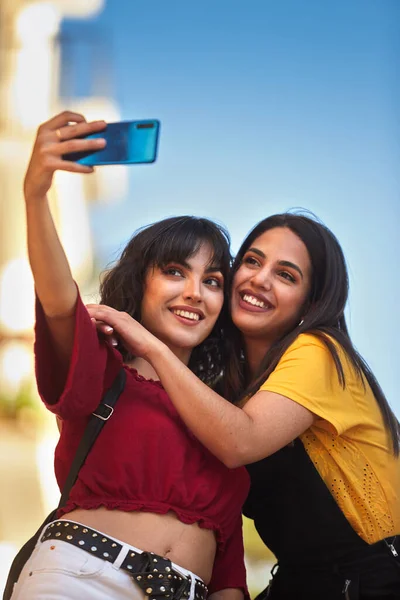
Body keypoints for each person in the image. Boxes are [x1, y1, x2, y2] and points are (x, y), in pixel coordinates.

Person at [88, 213, 400, 599]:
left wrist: (150, 343)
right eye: (252, 261)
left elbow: (241, 441)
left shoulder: (319, 351)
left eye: (286, 275)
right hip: (300, 582)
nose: (260, 279)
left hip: (371, 578)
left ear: (311, 302)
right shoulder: (231, 397)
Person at [12, 111, 250, 600]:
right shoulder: (103, 368)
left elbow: (229, 578)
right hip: (80, 580)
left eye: (212, 281)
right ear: (140, 283)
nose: (194, 293)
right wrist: (36, 194)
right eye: (174, 272)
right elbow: (59, 302)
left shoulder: (229, 425)